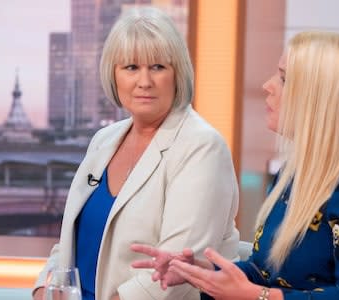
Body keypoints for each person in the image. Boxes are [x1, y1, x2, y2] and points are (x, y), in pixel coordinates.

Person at [131, 31, 339, 300]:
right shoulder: (294, 175)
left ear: (320, 99)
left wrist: (258, 296)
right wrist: (202, 272)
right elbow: (266, 273)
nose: (268, 85)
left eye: (284, 79)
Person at [32, 7, 240, 300]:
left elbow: (174, 274)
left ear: (177, 73)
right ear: (114, 75)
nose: (144, 82)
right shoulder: (104, 139)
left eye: (157, 67)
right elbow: (69, 244)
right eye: (131, 68)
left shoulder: (202, 146)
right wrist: (44, 289)